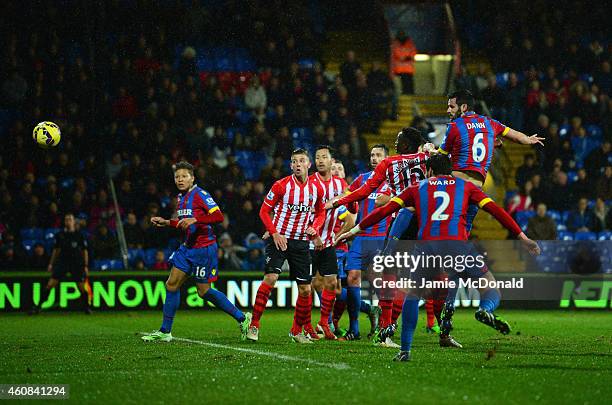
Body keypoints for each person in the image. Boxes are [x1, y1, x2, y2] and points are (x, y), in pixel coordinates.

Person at [336, 154, 541, 361]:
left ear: (429, 171)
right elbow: (497, 211)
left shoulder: (417, 188)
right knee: (490, 287)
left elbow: (384, 211)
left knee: (412, 295)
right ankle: (484, 309)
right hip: (458, 245)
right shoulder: (467, 187)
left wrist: (354, 230)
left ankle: (405, 350)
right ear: (450, 170)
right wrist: (522, 237)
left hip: (427, 247)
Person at [142, 161, 251, 342]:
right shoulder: (181, 198)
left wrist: (196, 219)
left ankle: (242, 318)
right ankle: (165, 331)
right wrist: (167, 222)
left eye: (184, 176)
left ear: (192, 178)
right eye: (177, 177)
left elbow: (218, 216)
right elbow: (185, 223)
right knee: (171, 284)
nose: (180, 179)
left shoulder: (201, 194)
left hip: (204, 249)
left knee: (203, 291)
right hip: (187, 247)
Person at [247, 149, 326, 344]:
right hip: (279, 240)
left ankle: (296, 331)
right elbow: (264, 211)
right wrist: (274, 232)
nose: (298, 164)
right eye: (294, 162)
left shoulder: (317, 189)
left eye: (301, 161)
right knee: (271, 278)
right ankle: (254, 325)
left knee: (306, 290)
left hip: (300, 243)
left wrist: (314, 228)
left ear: (309, 164)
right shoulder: (281, 185)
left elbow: (321, 213)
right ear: (290, 166)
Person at [439, 89, 545, 233]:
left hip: (457, 187)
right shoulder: (489, 123)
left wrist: (428, 148)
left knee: (444, 228)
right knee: (464, 231)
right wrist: (528, 139)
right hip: (475, 190)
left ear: (464, 107)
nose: (448, 110)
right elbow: (515, 136)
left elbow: (440, 157)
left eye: (451, 106)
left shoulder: (455, 126)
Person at [342, 145, 394, 343]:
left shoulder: (392, 182)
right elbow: (348, 194)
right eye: (372, 155)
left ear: (387, 158)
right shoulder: (363, 179)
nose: (374, 158)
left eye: (378, 155)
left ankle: (383, 325)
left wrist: (390, 199)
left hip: (381, 238)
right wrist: (349, 205)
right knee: (352, 277)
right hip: (361, 237)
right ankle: (354, 327)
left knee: (379, 281)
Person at [29, 213, 91, 314]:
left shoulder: (79, 235)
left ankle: (87, 307)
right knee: (50, 285)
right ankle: (37, 307)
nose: (68, 221)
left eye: (70, 219)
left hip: (76, 263)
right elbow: (56, 250)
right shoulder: (59, 235)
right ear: (64, 222)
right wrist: (51, 264)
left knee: (81, 286)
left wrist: (85, 266)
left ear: (73, 222)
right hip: (63, 262)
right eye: (66, 220)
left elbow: (84, 251)